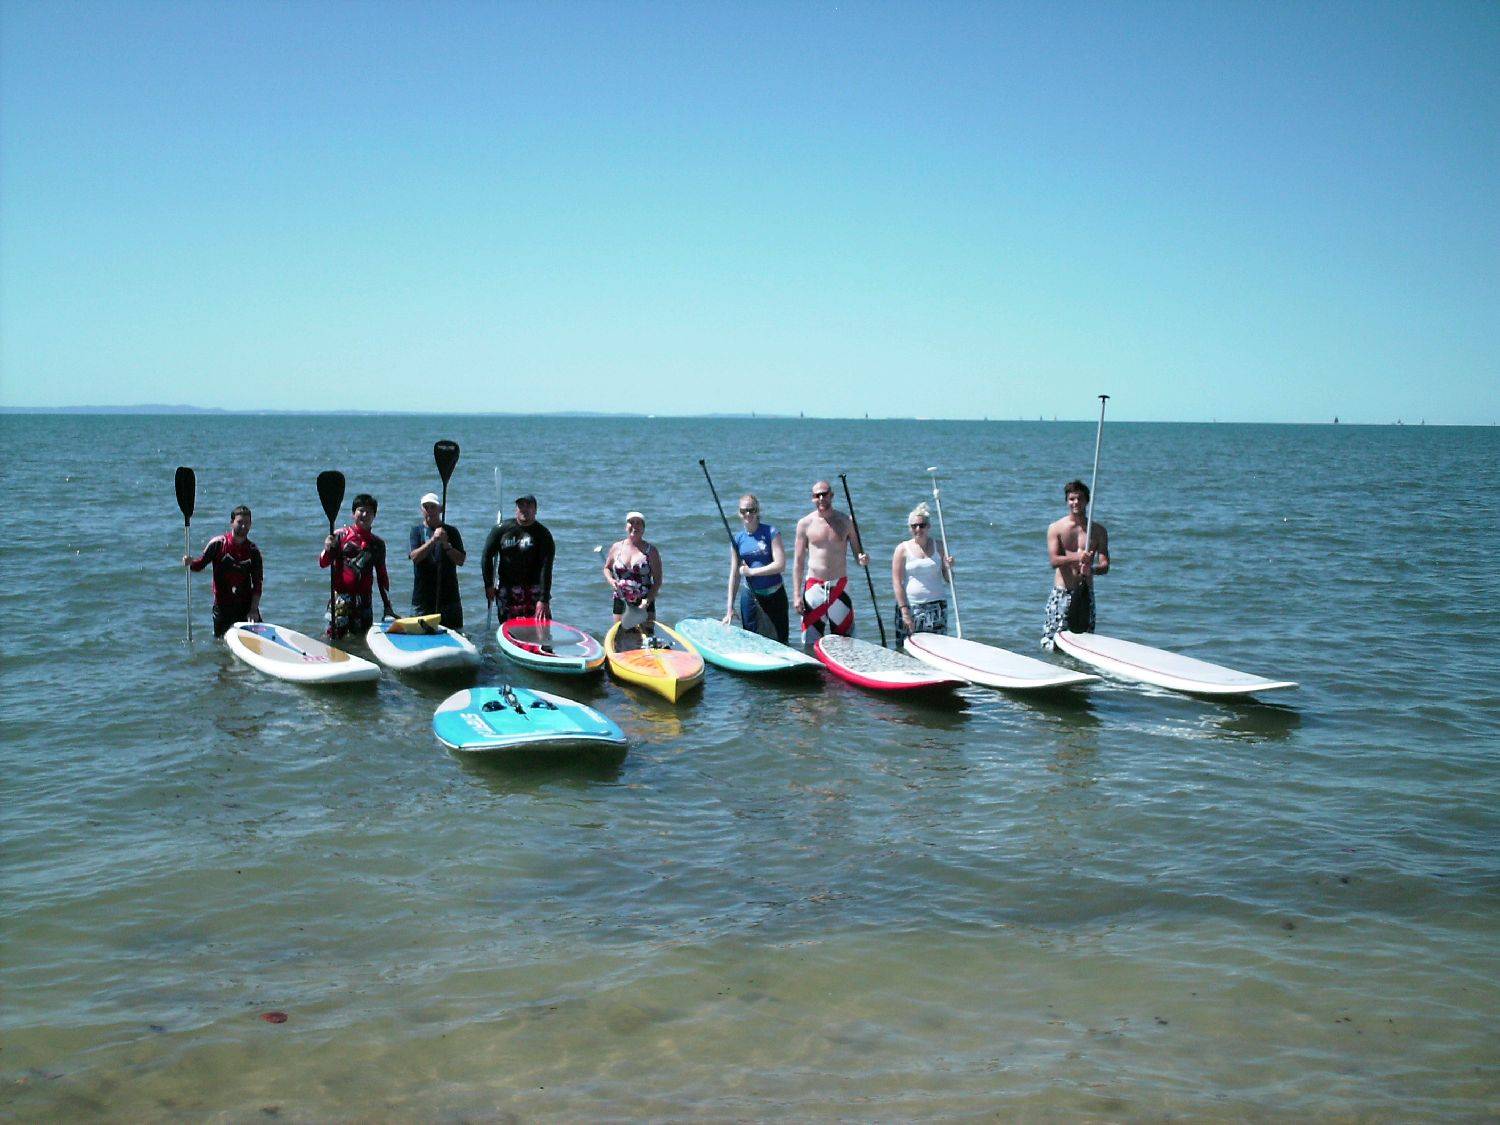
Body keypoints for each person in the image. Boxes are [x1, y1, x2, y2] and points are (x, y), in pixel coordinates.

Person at [792, 479, 869, 644]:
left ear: (831, 495)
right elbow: (798, 562)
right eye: (817, 495)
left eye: (824, 494)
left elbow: (857, 553)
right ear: (812, 498)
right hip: (814, 587)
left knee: (845, 642)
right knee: (811, 643)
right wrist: (797, 595)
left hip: (840, 586)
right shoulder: (804, 524)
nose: (821, 498)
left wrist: (862, 559)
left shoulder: (846, 521)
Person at [1042, 478, 1110, 648]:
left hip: (1085, 595)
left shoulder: (1098, 531)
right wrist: (1078, 558)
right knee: (1053, 643)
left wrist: (1091, 569)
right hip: (1062, 594)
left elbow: (1105, 565)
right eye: (1072, 498)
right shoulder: (1056, 528)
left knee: (1084, 644)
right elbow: (1054, 561)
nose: (1076, 502)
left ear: (1087, 501)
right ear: (1067, 501)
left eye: (1080, 498)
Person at [319, 492, 393, 639]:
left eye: (369, 512)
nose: (364, 514)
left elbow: (382, 577)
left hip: (365, 602)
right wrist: (328, 548)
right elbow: (323, 563)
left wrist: (387, 606)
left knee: (361, 643)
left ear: (374, 516)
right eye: (361, 510)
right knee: (333, 641)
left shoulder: (378, 544)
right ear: (353, 513)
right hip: (340, 600)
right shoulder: (339, 536)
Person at [183, 504, 263, 637]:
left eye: (247, 523)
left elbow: (257, 583)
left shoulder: (253, 551)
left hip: (246, 607)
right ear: (231, 522)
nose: (243, 526)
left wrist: (253, 610)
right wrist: (190, 563)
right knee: (220, 644)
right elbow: (199, 565)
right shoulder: (218, 544)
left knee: (260, 640)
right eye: (240, 522)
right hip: (222, 606)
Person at [722, 493, 790, 643]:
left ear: (757, 510)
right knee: (751, 642)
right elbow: (734, 574)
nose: (747, 514)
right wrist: (729, 609)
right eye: (743, 511)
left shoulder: (771, 532)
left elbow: (780, 565)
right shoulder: (737, 539)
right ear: (739, 514)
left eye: (751, 510)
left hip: (775, 595)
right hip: (751, 597)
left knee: (780, 642)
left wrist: (752, 572)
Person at [482, 493, 556, 622]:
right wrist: (488, 585)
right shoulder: (501, 530)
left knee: (541, 629)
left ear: (535, 510)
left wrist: (543, 599)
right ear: (516, 509)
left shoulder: (543, 535)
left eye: (529, 505)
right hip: (508, 589)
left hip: (534, 589)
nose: (524, 509)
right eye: (521, 505)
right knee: (510, 629)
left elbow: (547, 567)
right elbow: (486, 557)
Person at [891, 502, 953, 644]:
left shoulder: (939, 546)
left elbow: (949, 579)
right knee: (907, 647)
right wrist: (904, 611)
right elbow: (897, 583)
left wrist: (949, 567)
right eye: (914, 526)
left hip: (937, 606)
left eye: (922, 525)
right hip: (911, 607)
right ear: (910, 528)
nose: (918, 529)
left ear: (928, 527)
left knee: (938, 647)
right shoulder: (902, 549)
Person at [408, 492, 466, 629]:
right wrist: (433, 541)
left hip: (449, 600)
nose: (429, 511)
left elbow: (461, 560)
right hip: (423, 600)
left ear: (440, 509)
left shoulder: (451, 532)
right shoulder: (416, 532)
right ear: (422, 510)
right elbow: (415, 557)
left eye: (433, 507)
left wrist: (447, 545)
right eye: (426, 507)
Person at [603, 511, 662, 629]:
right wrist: (611, 580)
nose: (635, 526)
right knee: (621, 636)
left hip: (644, 602)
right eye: (631, 522)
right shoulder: (616, 547)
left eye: (639, 523)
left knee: (647, 637)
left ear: (643, 528)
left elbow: (658, 580)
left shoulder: (651, 551)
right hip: (621, 599)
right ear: (626, 526)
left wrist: (647, 602)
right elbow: (607, 568)